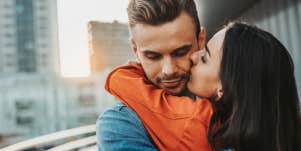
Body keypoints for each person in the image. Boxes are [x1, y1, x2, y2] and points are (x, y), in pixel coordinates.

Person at [105, 22, 301, 151]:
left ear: (224, 86)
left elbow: (121, 81)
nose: (193, 56)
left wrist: (140, 64)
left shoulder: (202, 124)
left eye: (205, 57)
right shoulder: (284, 130)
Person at [97, 0, 205, 150]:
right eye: (153, 56)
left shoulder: (233, 95)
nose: (169, 70)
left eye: (180, 53)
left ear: (200, 40)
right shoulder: (119, 123)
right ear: (136, 51)